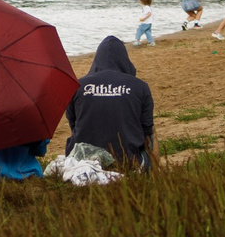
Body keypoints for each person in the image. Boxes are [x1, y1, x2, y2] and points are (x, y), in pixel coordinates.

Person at [64, 35, 157, 173]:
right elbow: (147, 131)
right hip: (128, 163)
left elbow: (74, 123)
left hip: (83, 162)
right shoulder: (140, 86)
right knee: (153, 132)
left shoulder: (78, 86)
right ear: (125, 59)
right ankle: (155, 176)